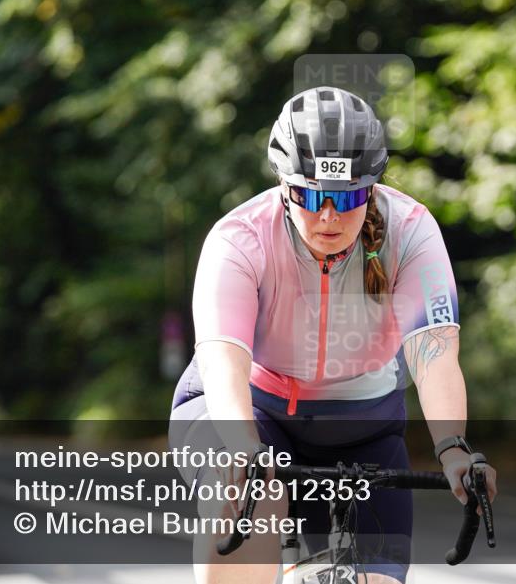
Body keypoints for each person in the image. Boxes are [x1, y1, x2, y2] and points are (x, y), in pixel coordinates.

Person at [169, 87, 497, 584]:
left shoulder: (410, 231)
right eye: (312, 196)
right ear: (283, 185)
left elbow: (433, 354)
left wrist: (453, 448)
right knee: (255, 496)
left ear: (371, 189)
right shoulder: (239, 239)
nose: (329, 216)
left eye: (346, 198)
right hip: (248, 409)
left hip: (362, 427)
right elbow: (222, 359)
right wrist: (243, 446)